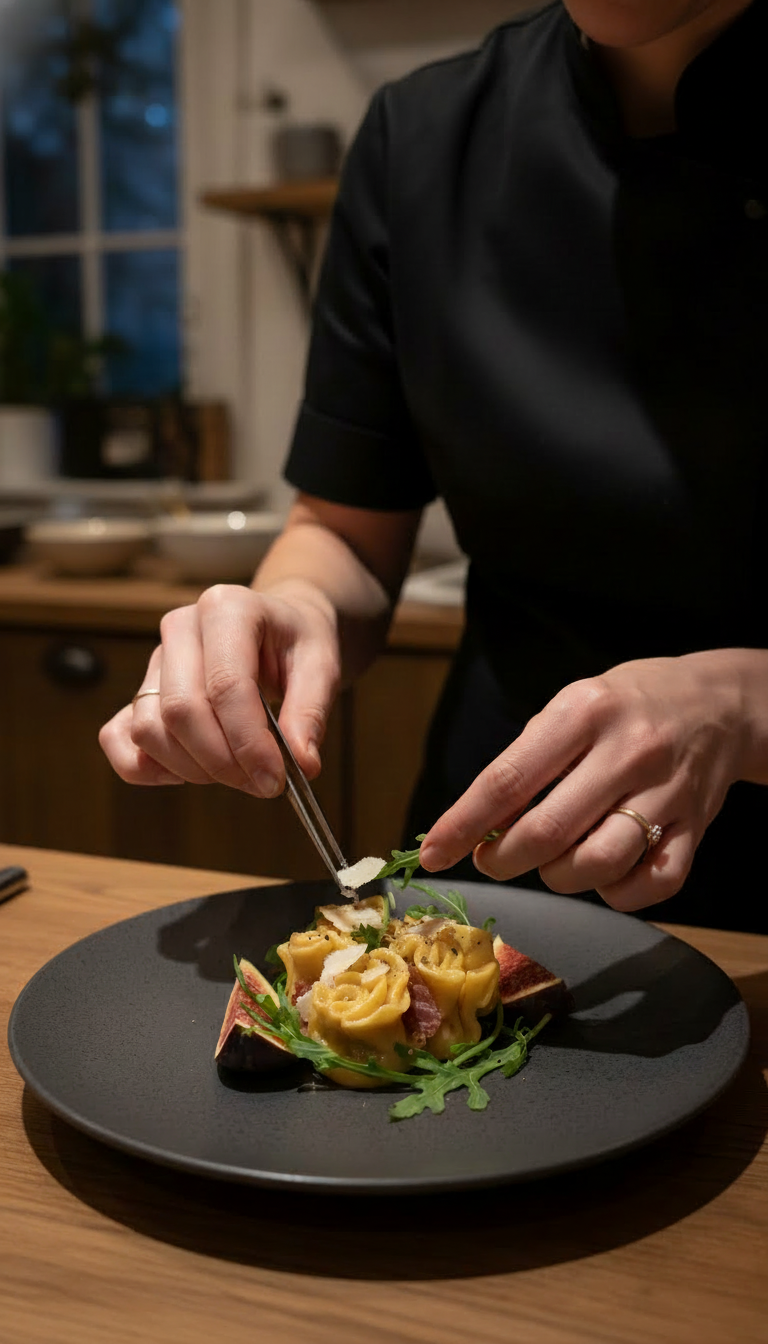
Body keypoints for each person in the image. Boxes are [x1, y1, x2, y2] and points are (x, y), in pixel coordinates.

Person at [100, 0, 768, 933]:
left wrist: (746, 704)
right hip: (495, 883)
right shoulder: (424, 135)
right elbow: (342, 531)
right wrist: (292, 615)